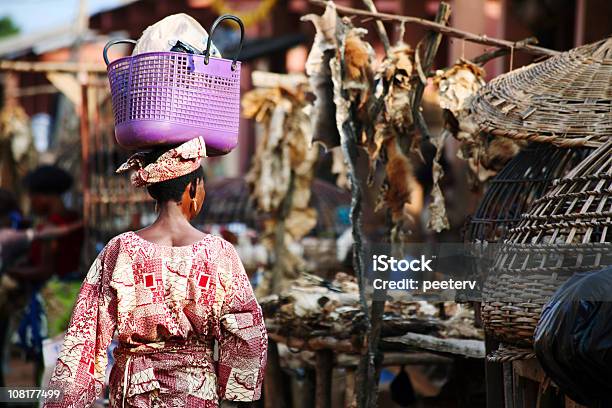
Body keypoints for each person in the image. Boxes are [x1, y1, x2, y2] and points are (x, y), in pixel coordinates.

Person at [44, 137, 267, 407]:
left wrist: (70, 398)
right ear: (193, 189)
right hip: (195, 391)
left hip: (135, 390)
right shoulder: (219, 253)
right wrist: (234, 392)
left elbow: (86, 333)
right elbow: (247, 330)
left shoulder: (122, 249)